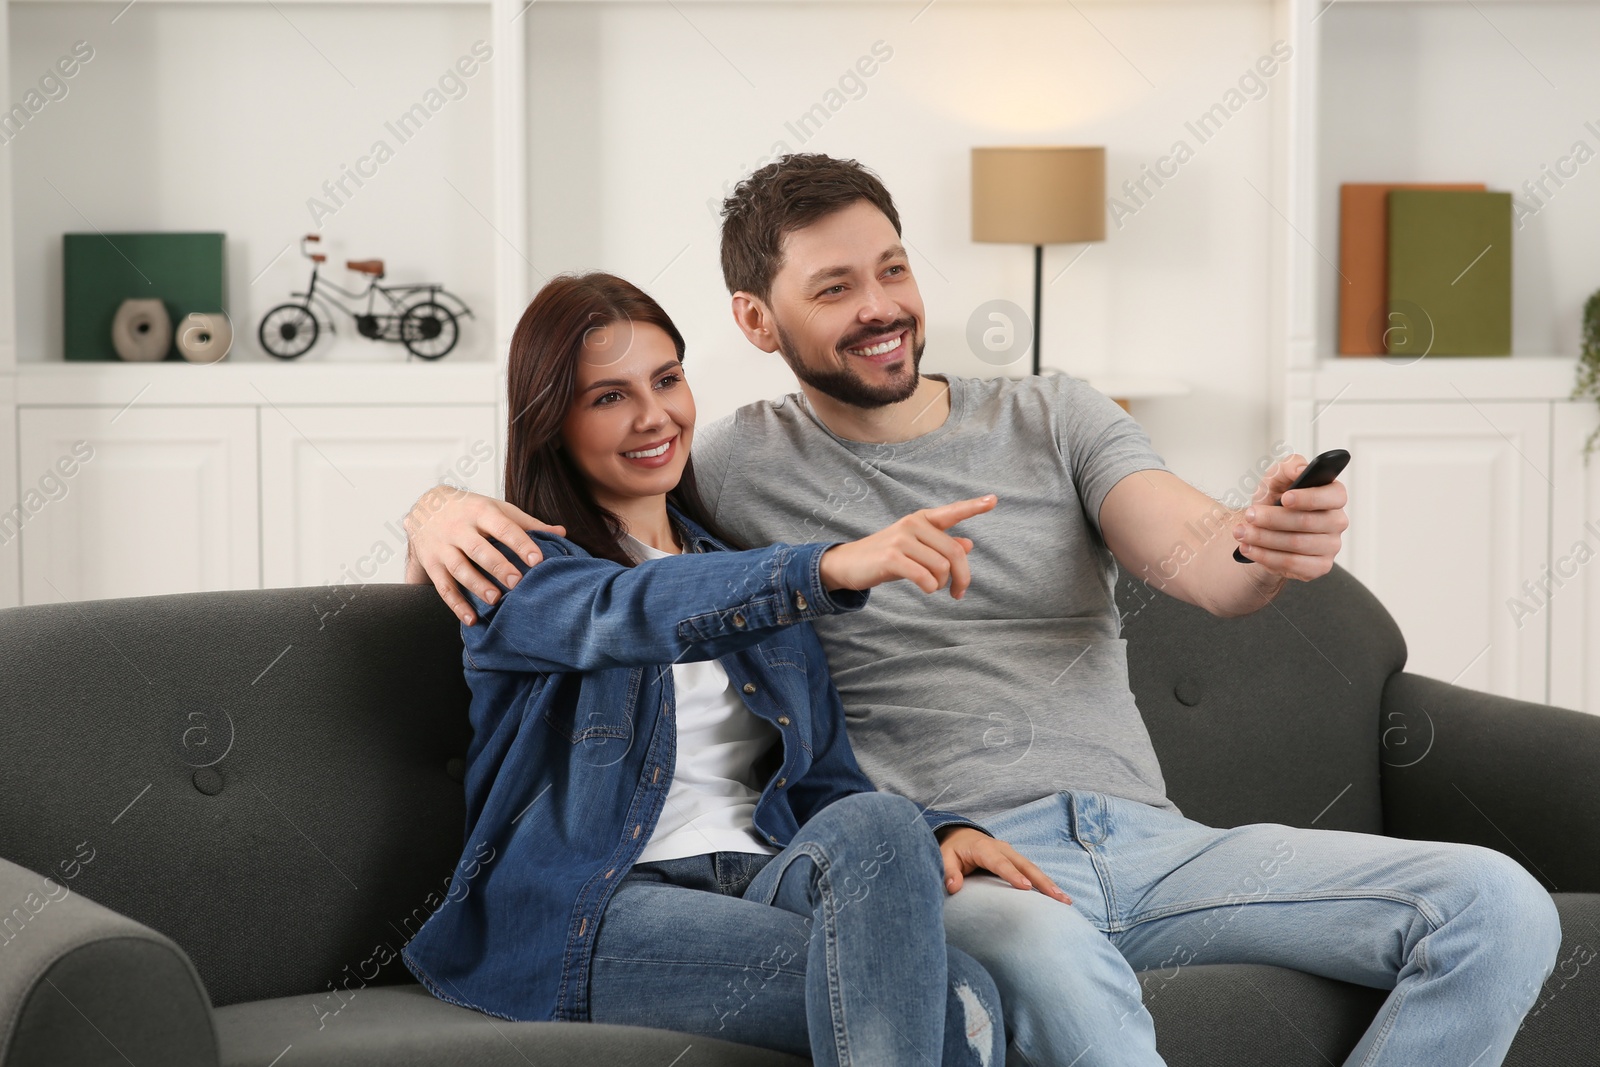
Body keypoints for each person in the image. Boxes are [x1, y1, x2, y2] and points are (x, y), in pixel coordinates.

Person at [404, 156, 1562, 1067]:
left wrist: (1260, 541)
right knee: (1007, 960)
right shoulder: (734, 473)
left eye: (892, 269)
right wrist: (434, 503)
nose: (881, 307)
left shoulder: (1052, 413)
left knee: (1498, 905)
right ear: (759, 322)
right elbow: (613, 594)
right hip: (956, 874)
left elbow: (1201, 556)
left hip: (1145, 840)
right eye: (835, 287)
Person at [400, 270, 1035, 1067]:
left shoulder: (738, 572)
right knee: (955, 1005)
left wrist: (939, 833)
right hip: (599, 905)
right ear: (551, 421)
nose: (653, 415)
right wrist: (826, 567)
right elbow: (630, 609)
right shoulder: (519, 574)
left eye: (667, 379)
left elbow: (827, 786)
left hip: (762, 873)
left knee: (891, 836)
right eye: (608, 397)